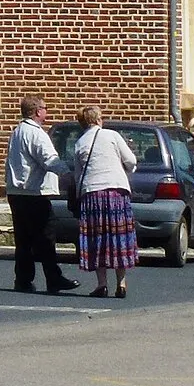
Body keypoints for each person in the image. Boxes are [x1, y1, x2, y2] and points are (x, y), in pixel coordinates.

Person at [4, 94, 77, 294]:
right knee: (46, 236)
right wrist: (68, 174)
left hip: (16, 192)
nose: (46, 111)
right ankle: (53, 278)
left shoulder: (18, 131)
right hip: (33, 192)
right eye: (45, 108)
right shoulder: (36, 134)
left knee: (24, 239)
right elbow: (49, 159)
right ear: (37, 111)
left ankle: (23, 279)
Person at [70, 105, 140, 298]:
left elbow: (78, 175)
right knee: (118, 237)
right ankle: (122, 283)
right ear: (99, 119)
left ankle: (102, 284)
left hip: (92, 195)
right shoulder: (112, 135)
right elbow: (131, 160)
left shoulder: (79, 143)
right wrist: (127, 170)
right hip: (116, 192)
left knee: (97, 238)